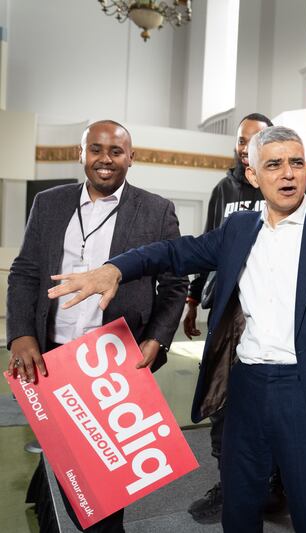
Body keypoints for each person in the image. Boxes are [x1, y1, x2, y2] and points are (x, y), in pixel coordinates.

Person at [48, 125, 306, 533]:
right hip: (245, 391)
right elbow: (174, 252)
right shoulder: (238, 230)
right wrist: (115, 268)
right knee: (239, 513)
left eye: (296, 163)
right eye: (274, 164)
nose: (288, 174)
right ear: (253, 175)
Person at [6, 120, 188, 532]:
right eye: (96, 149)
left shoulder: (156, 209)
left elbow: (175, 284)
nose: (105, 159)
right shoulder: (49, 204)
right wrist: (20, 334)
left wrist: (157, 339)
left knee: (107, 478)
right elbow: (24, 273)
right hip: (51, 356)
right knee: (62, 458)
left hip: (114, 362)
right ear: (81, 153)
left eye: (116, 151)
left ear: (131, 157)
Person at [182, 112, 288, 522]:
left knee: (269, 403)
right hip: (226, 313)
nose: (246, 147)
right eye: (242, 140)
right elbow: (206, 245)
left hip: (269, 314)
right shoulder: (222, 189)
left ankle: (276, 482)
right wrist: (193, 299)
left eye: (256, 140)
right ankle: (230, 483)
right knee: (221, 400)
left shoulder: (283, 184)